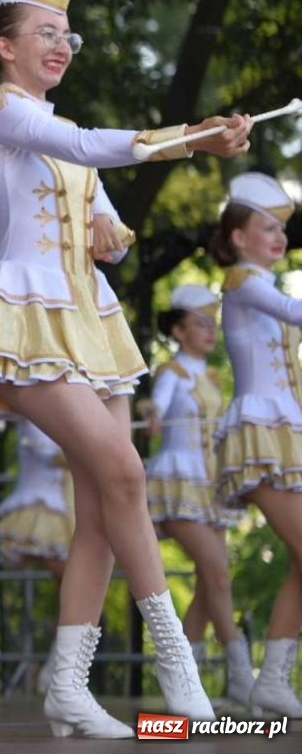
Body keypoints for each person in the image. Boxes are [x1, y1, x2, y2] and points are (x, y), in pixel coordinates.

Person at [0, 0, 247, 736]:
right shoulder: (1, 109)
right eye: (45, 33)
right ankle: (177, 663)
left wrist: (107, 231)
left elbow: (105, 229)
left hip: (88, 319)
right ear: (3, 45)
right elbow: (86, 144)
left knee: (100, 511)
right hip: (25, 316)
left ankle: (69, 687)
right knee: (123, 469)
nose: (61, 46)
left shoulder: (56, 131)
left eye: (66, 35)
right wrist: (198, 136)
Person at [211, 172, 302, 716]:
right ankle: (266, 678)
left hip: (288, 434)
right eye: (265, 227)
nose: (278, 236)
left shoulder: (262, 285)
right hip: (259, 436)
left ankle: (272, 680)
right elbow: (294, 312)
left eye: (281, 229)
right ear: (238, 236)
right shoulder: (241, 281)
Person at [141, 284, 248, 702]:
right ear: (181, 330)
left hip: (210, 485)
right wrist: (151, 416)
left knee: (211, 581)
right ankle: (240, 674)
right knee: (217, 573)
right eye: (201, 324)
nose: (211, 332)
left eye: (213, 324)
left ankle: (186, 678)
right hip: (177, 480)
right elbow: (157, 407)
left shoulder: (211, 375)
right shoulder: (172, 372)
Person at [0, 419, 75, 693]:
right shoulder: (33, 419)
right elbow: (51, 454)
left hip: (65, 511)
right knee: (75, 586)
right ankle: (57, 673)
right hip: (39, 509)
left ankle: (57, 671)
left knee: (74, 591)